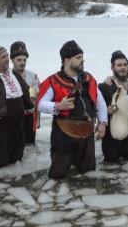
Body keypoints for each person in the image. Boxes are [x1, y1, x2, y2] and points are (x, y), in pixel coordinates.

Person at [37, 40, 108, 179]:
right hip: (64, 135)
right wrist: (57, 106)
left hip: (87, 133)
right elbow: (40, 104)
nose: (83, 60)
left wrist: (102, 123)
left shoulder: (89, 78)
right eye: (78, 57)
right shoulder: (53, 80)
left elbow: (100, 103)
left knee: (88, 172)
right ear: (67, 60)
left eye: (82, 56)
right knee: (57, 174)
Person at [99, 50, 128, 163]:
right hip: (113, 128)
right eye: (119, 65)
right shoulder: (105, 86)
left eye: (125, 65)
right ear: (112, 68)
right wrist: (104, 111)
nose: (123, 68)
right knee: (111, 165)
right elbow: (95, 108)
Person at [10, 41, 40, 145]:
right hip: (12, 117)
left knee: (29, 145)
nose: (22, 62)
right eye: (19, 60)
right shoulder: (6, 75)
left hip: (29, 116)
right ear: (12, 60)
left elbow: (35, 95)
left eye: (24, 60)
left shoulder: (32, 76)